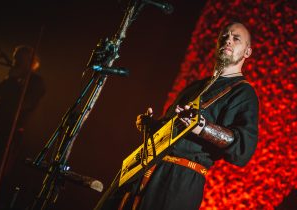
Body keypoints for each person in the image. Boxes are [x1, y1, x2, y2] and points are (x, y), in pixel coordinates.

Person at [98, 22, 259, 210]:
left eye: (236, 38)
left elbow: (243, 150)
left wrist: (201, 126)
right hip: (144, 166)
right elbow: (173, 132)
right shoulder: (194, 87)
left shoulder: (243, 93)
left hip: (178, 181)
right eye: (224, 37)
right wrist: (152, 126)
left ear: (247, 52)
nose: (228, 41)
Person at [0, 45, 45, 209]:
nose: (14, 62)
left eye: (18, 58)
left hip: (8, 135)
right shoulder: (15, 79)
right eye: (15, 57)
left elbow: (22, 103)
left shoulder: (35, 81)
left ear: (29, 61)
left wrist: (13, 81)